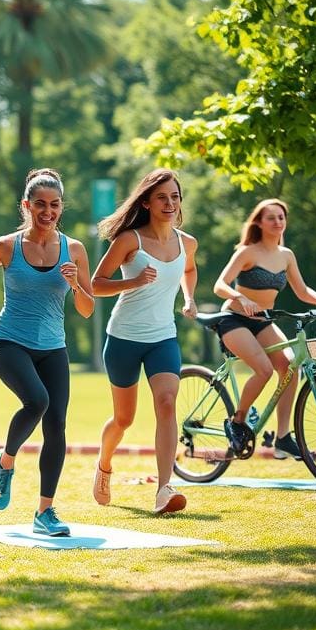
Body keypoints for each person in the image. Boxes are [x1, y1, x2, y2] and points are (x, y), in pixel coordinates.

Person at [0, 168, 94, 537]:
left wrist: (74, 285)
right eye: (40, 204)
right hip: (9, 342)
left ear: (61, 207)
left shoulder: (75, 250)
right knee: (37, 401)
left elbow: (86, 310)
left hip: (54, 347)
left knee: (57, 427)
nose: (48, 211)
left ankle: (45, 512)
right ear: (27, 205)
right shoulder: (7, 245)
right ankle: (6, 461)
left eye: (54, 205)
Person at [90, 169, 198, 514]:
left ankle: (164, 489)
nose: (170, 203)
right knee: (124, 419)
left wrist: (190, 298)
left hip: (163, 337)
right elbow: (96, 284)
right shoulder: (129, 241)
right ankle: (104, 463)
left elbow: (189, 270)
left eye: (175, 197)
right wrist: (133, 281)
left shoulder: (187, 243)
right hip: (123, 337)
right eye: (162, 197)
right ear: (148, 202)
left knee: (167, 403)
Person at [213, 199, 316, 458]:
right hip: (233, 319)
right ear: (258, 222)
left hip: (263, 322)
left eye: (281, 217)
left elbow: (302, 291)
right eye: (271, 218)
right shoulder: (247, 252)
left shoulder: (286, 255)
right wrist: (240, 298)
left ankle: (282, 438)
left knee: (292, 367)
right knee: (264, 370)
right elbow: (220, 285)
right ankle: (237, 422)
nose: (278, 222)